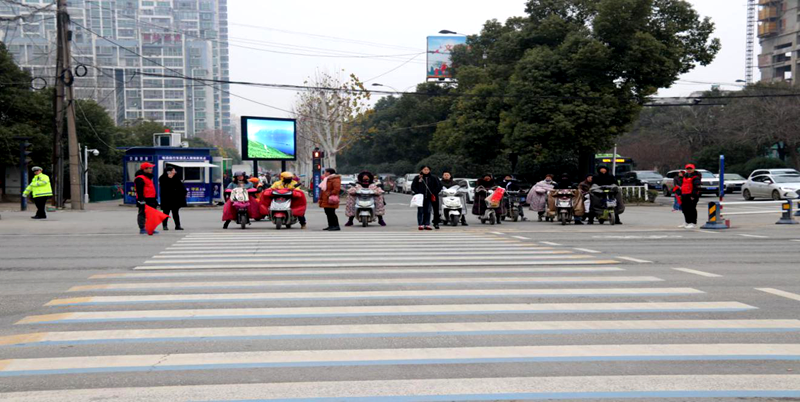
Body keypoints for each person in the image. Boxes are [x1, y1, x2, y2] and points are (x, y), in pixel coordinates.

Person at [134, 162, 159, 234]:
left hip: (151, 199)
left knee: (151, 214)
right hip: (144, 199)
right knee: (142, 214)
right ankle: (142, 228)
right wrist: (141, 200)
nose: (151, 169)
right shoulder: (140, 178)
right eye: (150, 168)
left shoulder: (148, 177)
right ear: (145, 169)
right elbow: (139, 190)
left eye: (151, 168)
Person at [679, 164, 702, 228]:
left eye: (690, 168)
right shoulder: (685, 176)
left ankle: (693, 223)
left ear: (693, 169)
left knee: (691, 209)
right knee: (685, 209)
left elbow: (697, 187)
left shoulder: (696, 177)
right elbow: (683, 186)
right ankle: (687, 222)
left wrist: (693, 196)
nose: (689, 170)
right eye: (687, 169)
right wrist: (680, 194)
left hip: (691, 195)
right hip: (684, 195)